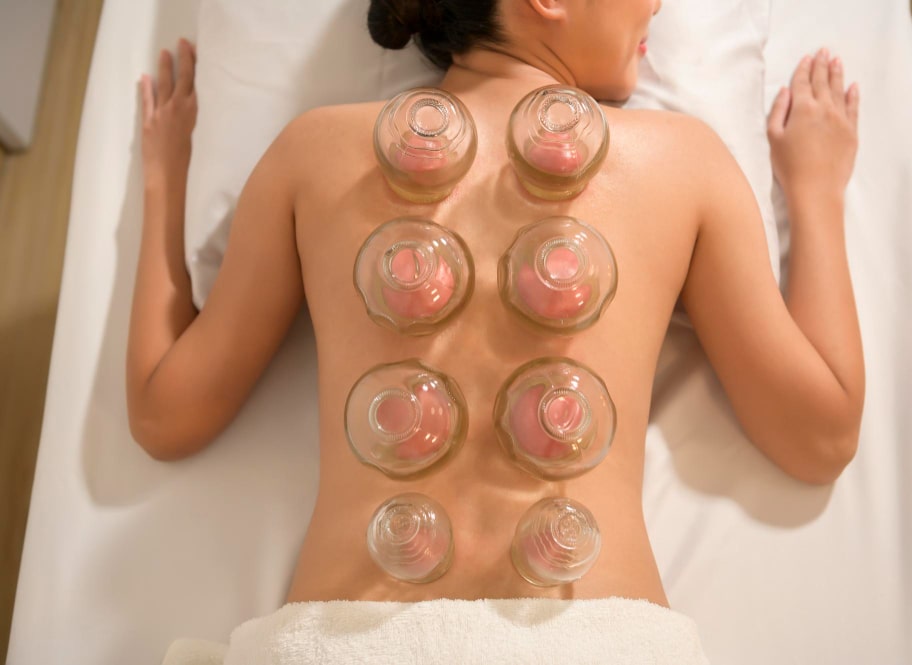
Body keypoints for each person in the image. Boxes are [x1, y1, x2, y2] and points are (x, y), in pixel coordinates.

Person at [130, 0, 863, 657]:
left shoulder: (313, 152)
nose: (658, 6)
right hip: (586, 641)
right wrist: (815, 190)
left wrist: (162, 181)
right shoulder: (681, 160)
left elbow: (167, 415)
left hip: (353, 639)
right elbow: (818, 438)